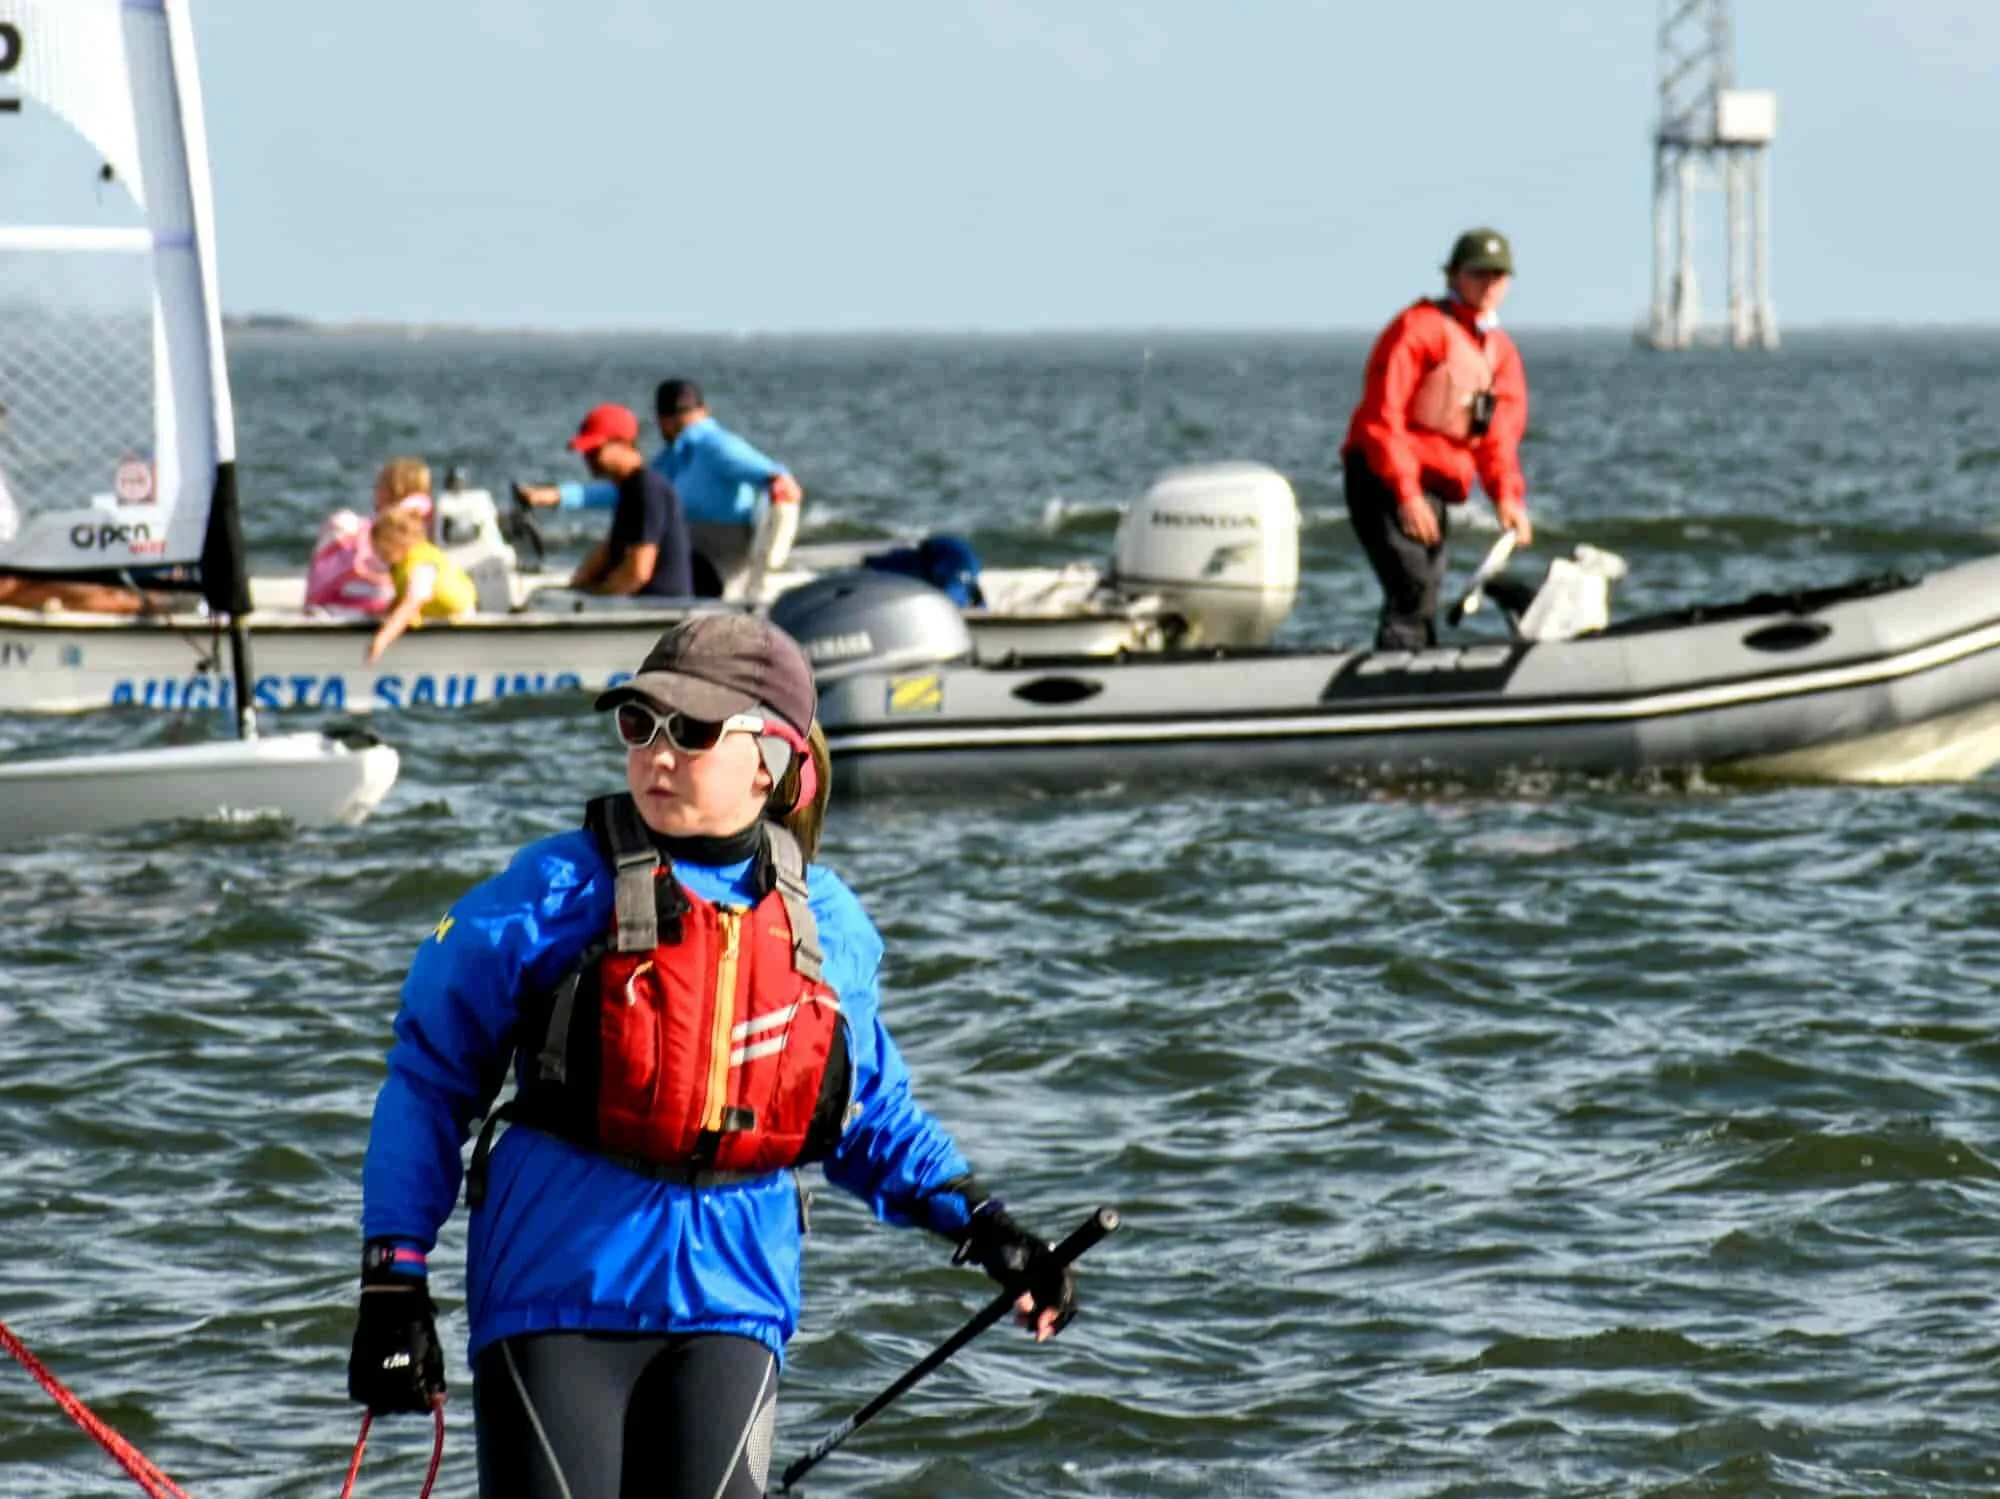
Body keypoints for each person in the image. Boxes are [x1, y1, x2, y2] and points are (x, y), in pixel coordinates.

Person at [346, 613, 1079, 1498]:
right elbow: (427, 1081)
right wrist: (394, 1277)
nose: (656, 754)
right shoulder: (547, 893)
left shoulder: (826, 924)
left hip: (736, 1301)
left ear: (771, 760)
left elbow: (866, 1113)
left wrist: (987, 1224)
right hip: (557, 1293)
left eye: (690, 732)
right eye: (639, 724)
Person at [1341, 227, 1532, 650]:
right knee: (1412, 586)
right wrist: (1406, 493)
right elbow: (1382, 416)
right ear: (1454, 275)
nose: (1489, 284)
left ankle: (1416, 665)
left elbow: (1498, 437)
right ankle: (1396, 674)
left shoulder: (1499, 352)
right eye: (1478, 273)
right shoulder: (1419, 328)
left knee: (1425, 589)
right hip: (1383, 480)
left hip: (1434, 489)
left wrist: (1507, 497)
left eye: (1498, 276)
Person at [517, 380, 802, 600]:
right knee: (622, 550)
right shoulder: (668, 460)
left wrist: (780, 484)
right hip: (689, 546)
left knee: (635, 560)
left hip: (718, 561)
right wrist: (558, 496)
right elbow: (620, 492)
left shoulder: (716, 446)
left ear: (664, 421)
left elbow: (776, 477)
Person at [561, 403, 695, 599]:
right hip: (639, 602)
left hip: (658, 606)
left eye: (595, 451)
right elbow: (607, 551)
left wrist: (597, 598)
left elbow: (638, 573)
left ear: (623, 444)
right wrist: (577, 586)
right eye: (586, 452)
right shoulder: (629, 489)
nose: (588, 458)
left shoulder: (647, 489)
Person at [304, 456, 438, 616]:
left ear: (387, 491)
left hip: (355, 603)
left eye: (379, 486)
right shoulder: (420, 526)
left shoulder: (370, 528)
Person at [364, 507, 477, 662]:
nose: (380, 557)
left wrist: (383, 639)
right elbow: (401, 598)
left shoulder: (421, 565)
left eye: (384, 552)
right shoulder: (401, 564)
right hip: (436, 615)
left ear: (400, 543)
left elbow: (411, 602)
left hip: (458, 621)